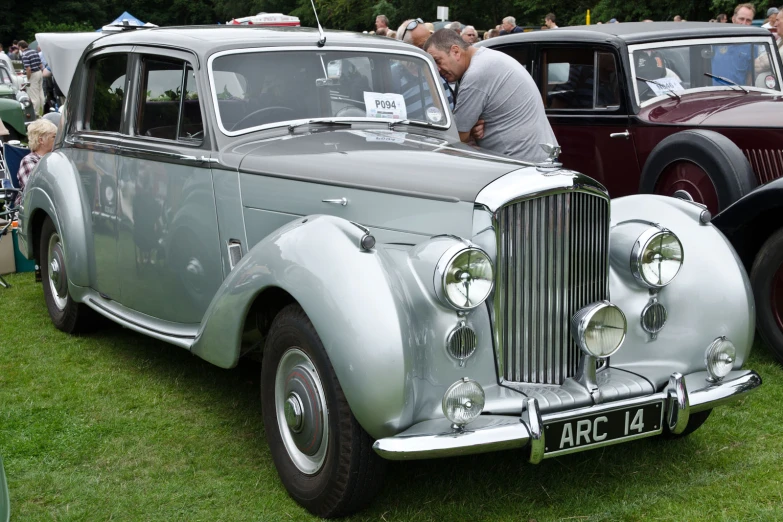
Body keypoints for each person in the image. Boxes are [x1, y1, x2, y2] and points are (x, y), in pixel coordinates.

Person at [424, 29, 557, 162]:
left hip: (521, 163)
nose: (437, 70)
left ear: (456, 51)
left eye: (437, 61)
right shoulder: (487, 58)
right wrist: (471, 128)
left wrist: (468, 132)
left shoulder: (476, 74)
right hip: (538, 156)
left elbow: (457, 138)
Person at [397, 19, 455, 110]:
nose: (428, 50)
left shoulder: (437, 71)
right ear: (405, 47)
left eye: (429, 44)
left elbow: (451, 111)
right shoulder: (393, 77)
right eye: (422, 46)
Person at [712, 4, 758, 85]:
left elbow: (750, 75)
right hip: (714, 92)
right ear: (733, 19)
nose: (744, 23)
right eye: (741, 19)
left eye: (748, 20)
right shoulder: (717, 39)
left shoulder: (753, 45)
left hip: (737, 94)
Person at [14, 119, 57, 207]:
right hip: (31, 206)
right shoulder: (28, 161)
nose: (57, 140)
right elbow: (35, 188)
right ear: (41, 140)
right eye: (54, 137)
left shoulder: (56, 158)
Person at [19, 41, 44, 117]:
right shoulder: (34, 51)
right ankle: (41, 110)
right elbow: (40, 65)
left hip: (32, 74)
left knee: (33, 95)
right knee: (40, 92)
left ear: (20, 47)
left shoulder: (24, 54)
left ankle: (35, 114)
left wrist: (28, 78)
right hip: (39, 72)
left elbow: (28, 69)